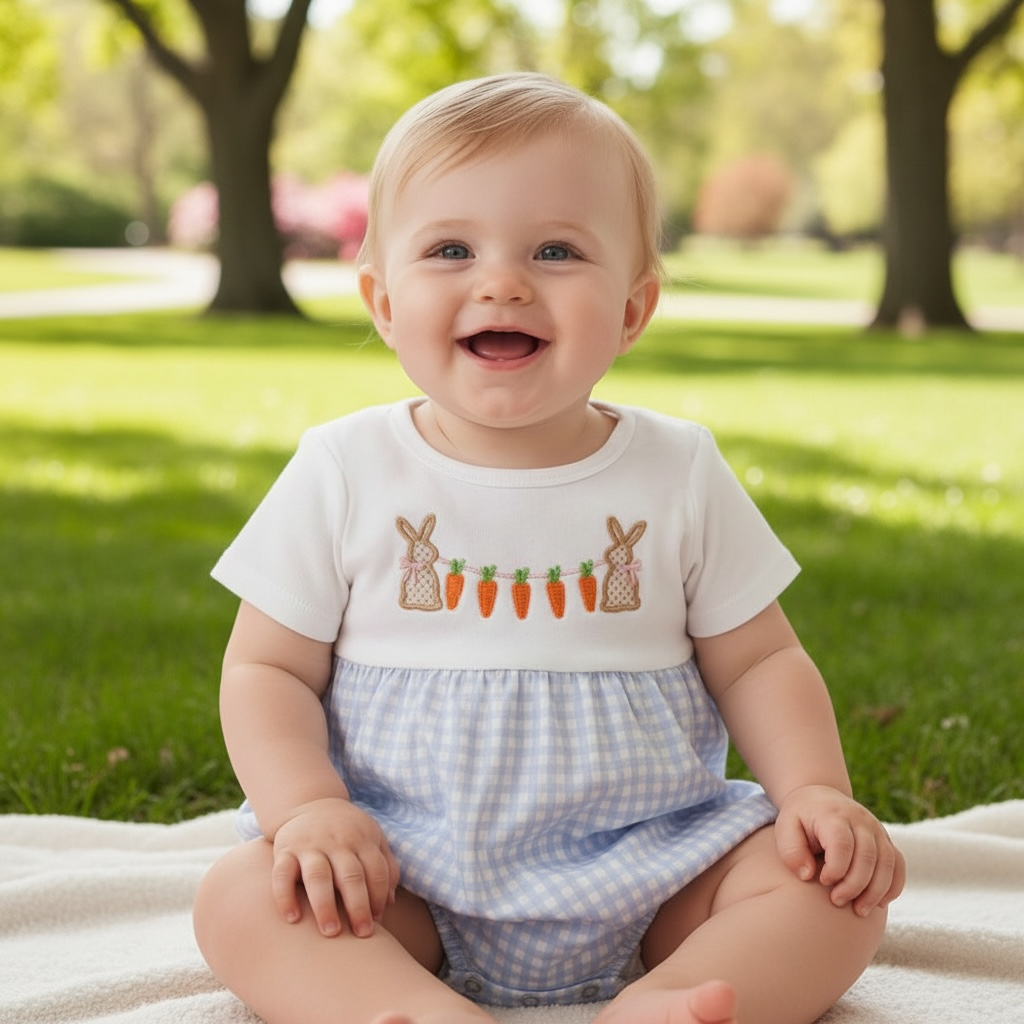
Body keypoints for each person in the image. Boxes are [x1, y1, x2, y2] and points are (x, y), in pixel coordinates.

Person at [193, 72, 905, 1024]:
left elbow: (761, 659)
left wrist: (817, 792)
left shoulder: (678, 470)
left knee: (833, 898)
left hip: (655, 869)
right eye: (450, 248)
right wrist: (307, 808)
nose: (503, 281)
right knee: (242, 899)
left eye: (557, 250)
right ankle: (400, 1007)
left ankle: (672, 1000)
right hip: (403, 873)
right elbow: (267, 668)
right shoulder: (344, 468)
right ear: (382, 301)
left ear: (631, 309)